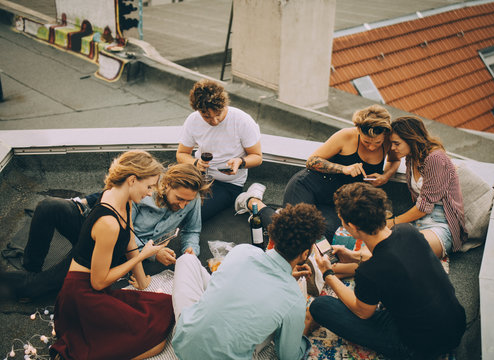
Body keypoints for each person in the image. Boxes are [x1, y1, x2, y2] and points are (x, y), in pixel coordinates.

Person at [2, 163, 208, 300]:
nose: (183, 205)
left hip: (112, 245)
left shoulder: (192, 199)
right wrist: (153, 253)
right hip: (109, 233)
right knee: (49, 206)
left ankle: (31, 279)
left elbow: (192, 230)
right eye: (179, 199)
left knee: (39, 287)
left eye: (187, 201)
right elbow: (126, 231)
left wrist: (191, 249)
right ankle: (31, 265)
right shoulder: (142, 192)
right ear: (166, 186)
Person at [309, 183, 466, 359]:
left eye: (342, 220)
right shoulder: (408, 231)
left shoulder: (369, 272)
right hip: (456, 326)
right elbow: (391, 256)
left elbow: (362, 312)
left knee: (320, 306)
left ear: (352, 227)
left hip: (417, 348)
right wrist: (354, 256)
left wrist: (328, 274)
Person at [50, 150, 174, 360]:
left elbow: (130, 241)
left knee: (165, 306)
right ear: (133, 180)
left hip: (94, 288)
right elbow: (98, 282)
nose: (150, 193)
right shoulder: (108, 223)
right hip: (82, 296)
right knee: (155, 341)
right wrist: (142, 257)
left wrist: (143, 280)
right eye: (149, 186)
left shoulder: (120, 197)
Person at [170, 203, 326, 359]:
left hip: (183, 341)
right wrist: (304, 328)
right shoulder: (294, 298)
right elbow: (288, 356)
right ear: (305, 253)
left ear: (272, 237)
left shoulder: (243, 251)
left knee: (186, 260)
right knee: (272, 325)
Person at [282, 105, 400, 240]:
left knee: (322, 234)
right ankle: (260, 207)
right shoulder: (345, 136)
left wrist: (386, 176)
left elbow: (395, 161)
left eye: (377, 142)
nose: (372, 147)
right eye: (366, 142)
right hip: (309, 187)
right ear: (358, 130)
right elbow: (311, 161)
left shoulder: (388, 142)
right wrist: (343, 169)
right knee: (293, 227)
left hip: (338, 202)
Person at [176, 79, 263, 221]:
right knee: (171, 201)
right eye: (206, 116)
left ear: (224, 105)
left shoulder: (242, 121)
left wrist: (240, 162)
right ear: (198, 111)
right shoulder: (193, 120)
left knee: (195, 215)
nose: (214, 121)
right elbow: (181, 154)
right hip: (198, 175)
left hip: (228, 184)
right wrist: (195, 163)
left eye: (218, 114)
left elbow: (257, 157)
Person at [388, 116, 467, 258]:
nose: (392, 148)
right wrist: (384, 176)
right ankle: (337, 271)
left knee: (405, 253)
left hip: (441, 223)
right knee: (384, 248)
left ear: (411, 139)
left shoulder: (435, 159)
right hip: (417, 220)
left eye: (396, 143)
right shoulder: (411, 156)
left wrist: (392, 222)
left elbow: (424, 207)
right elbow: (391, 158)